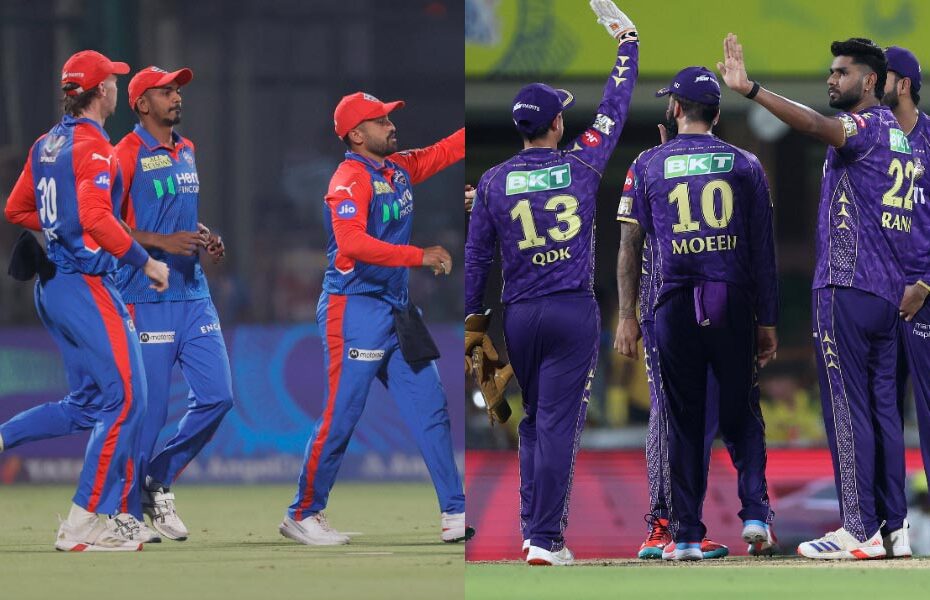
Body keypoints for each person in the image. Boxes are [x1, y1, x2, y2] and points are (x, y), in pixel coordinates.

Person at [719, 34, 910, 559]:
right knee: (883, 413)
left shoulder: (863, 127)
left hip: (846, 287)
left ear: (870, 81)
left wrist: (752, 90)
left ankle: (857, 528)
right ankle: (893, 528)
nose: (831, 79)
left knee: (847, 410)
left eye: (841, 72)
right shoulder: (902, 135)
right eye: (830, 71)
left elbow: (815, 125)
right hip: (890, 294)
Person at [465, 0, 639, 566]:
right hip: (571, 311)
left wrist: (474, 325)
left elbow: (475, 258)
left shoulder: (492, 182)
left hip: (518, 315)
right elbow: (614, 107)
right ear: (558, 124)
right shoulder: (584, 164)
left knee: (538, 421)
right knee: (559, 423)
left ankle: (531, 530)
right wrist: (627, 43)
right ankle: (545, 538)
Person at [280, 91, 468, 546]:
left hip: (399, 311)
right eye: (381, 120)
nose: (391, 125)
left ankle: (455, 511)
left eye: (389, 118)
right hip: (355, 308)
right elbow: (352, 244)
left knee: (432, 408)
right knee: (343, 413)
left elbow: (448, 149)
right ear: (357, 134)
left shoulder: (397, 167)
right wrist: (417, 256)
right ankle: (303, 513)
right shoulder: (348, 179)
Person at [1, 50, 169, 551]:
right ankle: (82, 522)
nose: (117, 87)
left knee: (88, 405)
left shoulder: (45, 143)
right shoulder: (95, 146)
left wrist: (55, 230)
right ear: (100, 91)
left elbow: (16, 209)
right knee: (128, 400)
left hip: (51, 288)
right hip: (85, 286)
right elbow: (97, 219)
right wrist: (146, 261)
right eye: (113, 81)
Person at [615, 66, 778, 561]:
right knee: (742, 412)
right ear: (718, 113)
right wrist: (767, 322)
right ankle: (755, 515)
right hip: (730, 300)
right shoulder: (746, 164)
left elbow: (628, 246)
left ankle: (685, 535)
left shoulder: (647, 164)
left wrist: (627, 314)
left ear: (676, 109)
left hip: (671, 306)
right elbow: (762, 254)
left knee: (684, 420)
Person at [113, 65, 231, 542]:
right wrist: (161, 240)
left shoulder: (187, 150)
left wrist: (204, 235)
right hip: (147, 295)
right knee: (150, 410)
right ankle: (125, 513)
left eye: (177, 89)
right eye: (165, 91)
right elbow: (104, 224)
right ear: (142, 103)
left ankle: (156, 478)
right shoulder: (123, 154)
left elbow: (177, 213)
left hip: (194, 294)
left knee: (219, 396)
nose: (176, 96)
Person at [883, 45, 930, 559]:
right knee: (881, 415)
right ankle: (885, 528)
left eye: (884, 77)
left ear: (904, 84)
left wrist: (925, 282)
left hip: (925, 298)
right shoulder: (871, 139)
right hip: (878, 295)